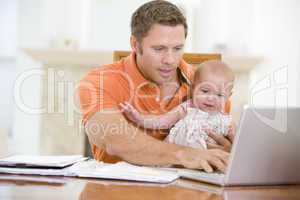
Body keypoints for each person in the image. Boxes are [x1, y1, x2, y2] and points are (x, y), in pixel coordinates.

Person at [79, 0, 235, 173]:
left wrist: (228, 153)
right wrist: (186, 154)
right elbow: (114, 139)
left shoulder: (209, 87)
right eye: (159, 48)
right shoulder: (100, 81)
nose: (170, 60)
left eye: (177, 48)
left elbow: (225, 145)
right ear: (135, 45)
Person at [120, 60, 235, 151]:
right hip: (173, 161)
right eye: (205, 91)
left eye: (219, 95)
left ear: (228, 96)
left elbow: (239, 144)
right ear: (193, 88)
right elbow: (162, 122)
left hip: (204, 166)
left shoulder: (226, 121)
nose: (211, 98)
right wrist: (139, 119)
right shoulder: (187, 108)